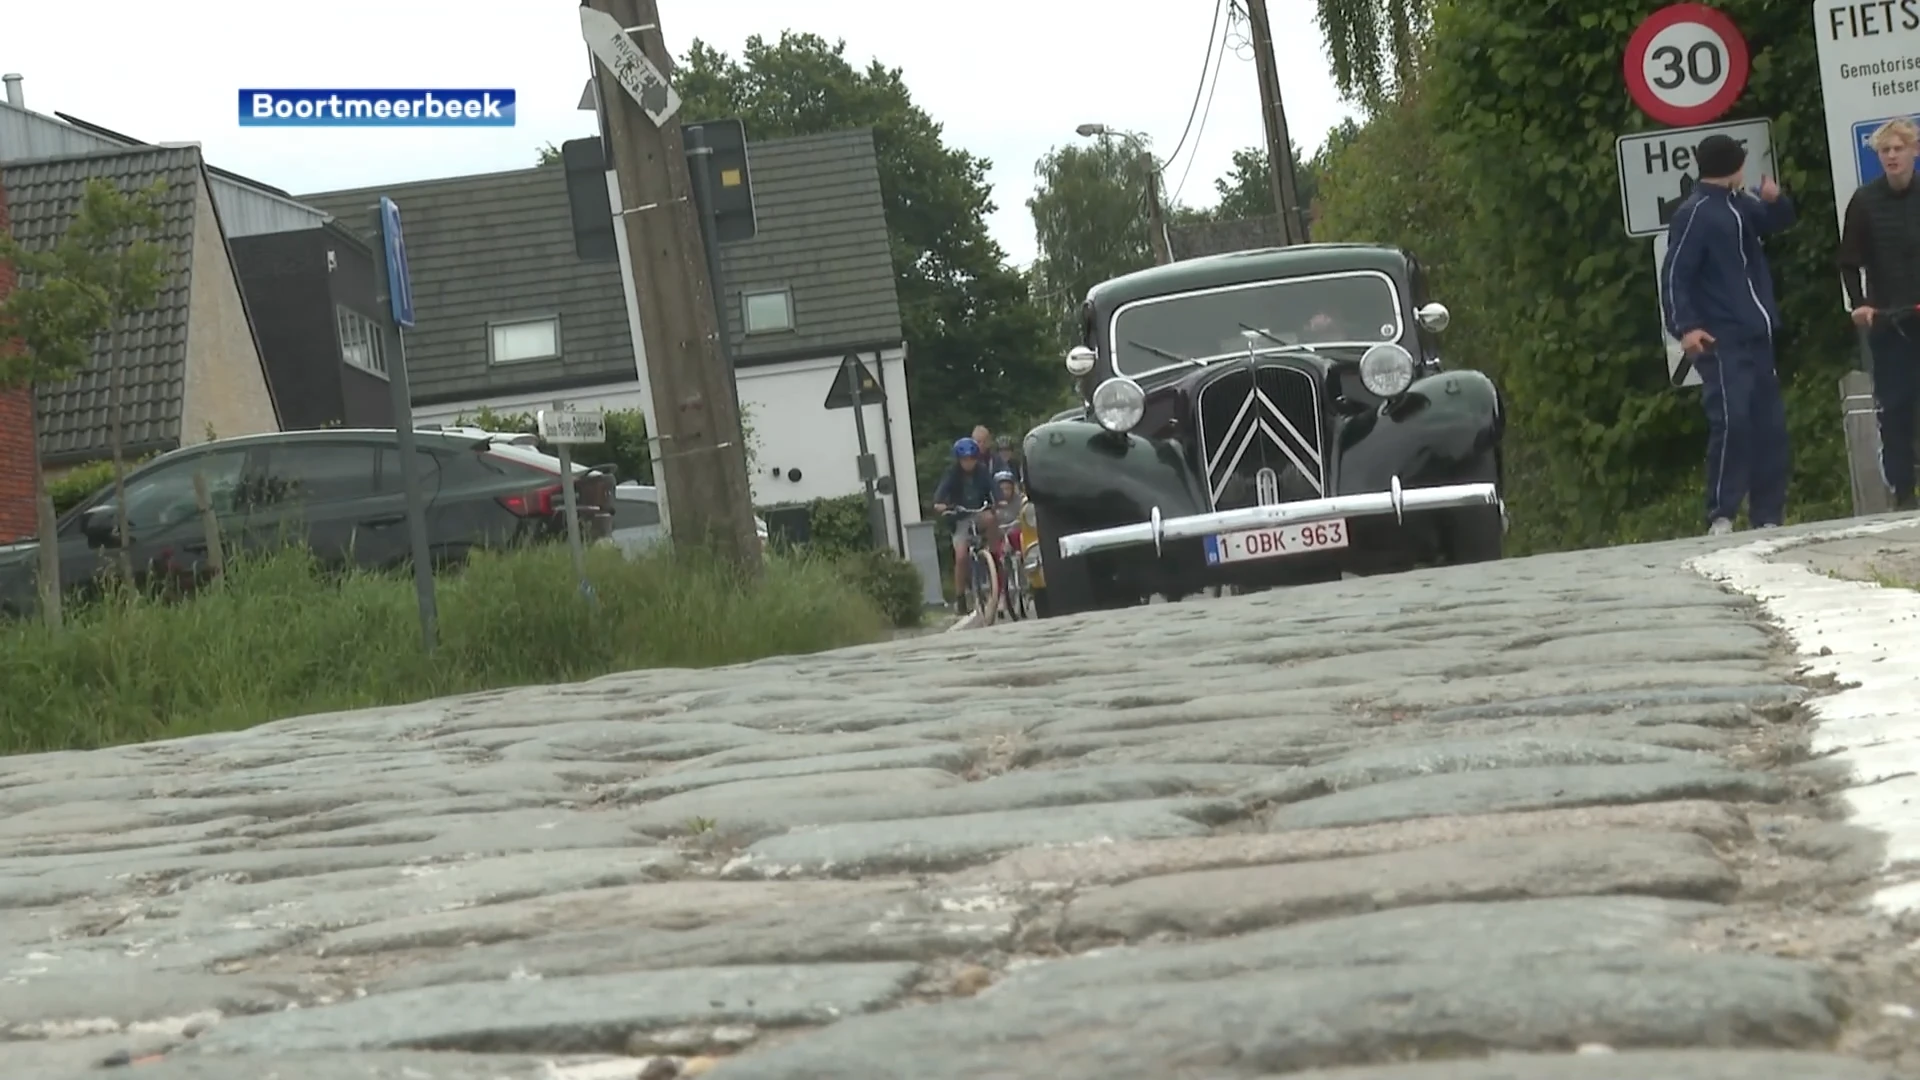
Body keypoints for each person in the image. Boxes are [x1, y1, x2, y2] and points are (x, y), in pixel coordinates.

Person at [1660, 132, 1797, 535]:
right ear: (1735, 167)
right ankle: (1722, 513)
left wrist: (1775, 199)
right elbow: (1675, 275)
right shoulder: (1696, 212)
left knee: (1768, 425)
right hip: (1721, 338)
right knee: (1733, 420)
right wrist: (1685, 327)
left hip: (1757, 334)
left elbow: (1777, 222)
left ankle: (1768, 514)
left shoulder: (1739, 205)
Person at [1839, 116, 1920, 512]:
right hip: (1890, 321)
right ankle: (1904, 493)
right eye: (1885, 150)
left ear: (1913, 152)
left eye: (1898, 148)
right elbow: (1849, 260)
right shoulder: (1865, 201)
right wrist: (1860, 305)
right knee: (1896, 407)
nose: (1891, 155)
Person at [931, 436, 1000, 613]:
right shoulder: (952, 473)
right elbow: (942, 490)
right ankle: (960, 598)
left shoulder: (982, 471)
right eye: (964, 460)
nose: (968, 463)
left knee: (991, 519)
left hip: (979, 512)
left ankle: (994, 553)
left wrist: (999, 500)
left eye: (971, 459)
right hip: (960, 516)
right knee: (961, 557)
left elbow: (994, 488)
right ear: (959, 460)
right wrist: (940, 503)